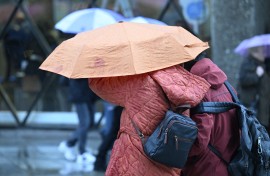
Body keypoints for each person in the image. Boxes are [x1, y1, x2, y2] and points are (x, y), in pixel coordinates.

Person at [88, 64, 210, 175]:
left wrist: (100, 65)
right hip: (168, 161)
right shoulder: (184, 83)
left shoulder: (138, 81)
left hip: (136, 160)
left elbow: (100, 85)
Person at [181, 52, 240, 176]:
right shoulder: (227, 86)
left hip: (206, 168)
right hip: (231, 162)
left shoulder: (198, 93)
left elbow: (198, 141)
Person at [58, 78, 96, 164]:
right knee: (84, 124)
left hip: (90, 96)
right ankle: (82, 153)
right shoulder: (76, 67)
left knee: (90, 124)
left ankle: (69, 143)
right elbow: (63, 81)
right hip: (79, 96)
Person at [238, 46, 270, 130]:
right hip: (254, 104)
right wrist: (257, 75)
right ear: (255, 52)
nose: (264, 53)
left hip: (264, 103)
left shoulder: (264, 63)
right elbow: (243, 80)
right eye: (261, 51)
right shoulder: (248, 63)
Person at [94, 105, 122, 171]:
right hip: (118, 105)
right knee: (112, 132)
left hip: (118, 105)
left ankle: (100, 160)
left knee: (112, 132)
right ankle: (100, 161)